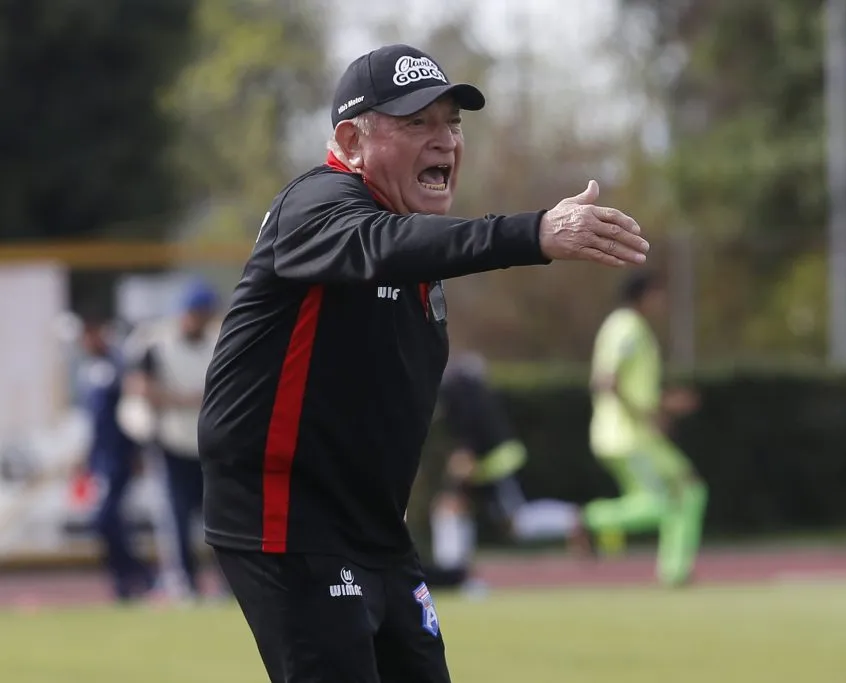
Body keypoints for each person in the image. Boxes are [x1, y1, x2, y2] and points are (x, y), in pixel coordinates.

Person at [198, 43, 648, 683]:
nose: (444, 142)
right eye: (416, 124)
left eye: (452, 123)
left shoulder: (413, 247)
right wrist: (534, 233)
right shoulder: (315, 207)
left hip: (375, 528)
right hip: (287, 521)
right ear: (352, 140)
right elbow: (385, 244)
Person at [583, 270, 708, 586]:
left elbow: (627, 385)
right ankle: (589, 520)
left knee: (689, 490)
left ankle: (675, 570)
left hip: (633, 433)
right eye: (658, 293)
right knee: (664, 502)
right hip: (629, 436)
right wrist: (647, 415)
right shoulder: (626, 327)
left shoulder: (629, 327)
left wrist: (662, 405)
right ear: (644, 294)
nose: (662, 301)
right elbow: (606, 381)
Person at [425, 352, 590, 589]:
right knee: (453, 508)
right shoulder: (460, 386)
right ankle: (457, 575)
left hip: (495, 462)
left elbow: (471, 429)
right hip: (494, 460)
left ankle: (456, 576)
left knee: (507, 521)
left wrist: (465, 454)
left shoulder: (455, 391)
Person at [121, 279, 221, 600]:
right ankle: (184, 583)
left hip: (210, 444)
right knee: (175, 516)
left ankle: (226, 585)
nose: (198, 319)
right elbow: (139, 386)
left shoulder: (218, 341)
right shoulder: (156, 342)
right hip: (171, 441)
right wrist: (183, 399)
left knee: (219, 518)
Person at [75, 315, 154, 602]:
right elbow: (91, 422)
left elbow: (131, 414)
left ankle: (137, 574)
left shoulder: (119, 367)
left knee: (107, 517)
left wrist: (137, 451)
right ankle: (126, 578)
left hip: (119, 456)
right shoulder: (87, 371)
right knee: (107, 521)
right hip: (100, 458)